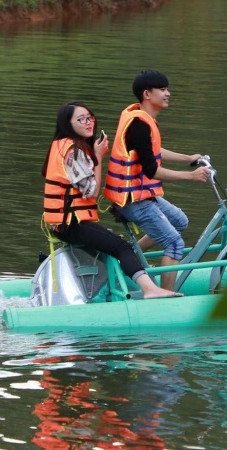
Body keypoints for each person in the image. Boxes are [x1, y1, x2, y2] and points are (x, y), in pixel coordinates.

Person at [42, 102, 181, 299]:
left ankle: (112, 286)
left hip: (66, 222)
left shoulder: (62, 144)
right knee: (121, 247)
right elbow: (91, 191)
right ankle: (150, 289)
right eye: (81, 119)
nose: (88, 122)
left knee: (111, 247)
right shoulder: (73, 151)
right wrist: (98, 158)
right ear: (68, 124)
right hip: (70, 223)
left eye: (90, 117)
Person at [103, 71, 210, 291]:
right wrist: (190, 176)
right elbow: (151, 170)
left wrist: (188, 158)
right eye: (162, 89)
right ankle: (166, 295)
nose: (168, 93)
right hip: (133, 199)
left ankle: (130, 253)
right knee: (174, 243)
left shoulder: (142, 119)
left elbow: (151, 151)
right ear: (147, 94)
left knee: (180, 222)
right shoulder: (140, 124)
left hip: (142, 195)